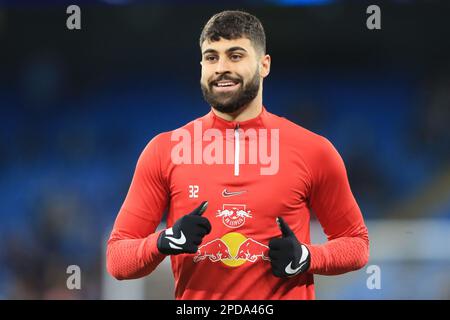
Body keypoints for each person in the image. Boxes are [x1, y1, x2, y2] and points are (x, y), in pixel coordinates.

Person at [106, 10, 369, 300]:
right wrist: (163, 241)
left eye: (235, 55)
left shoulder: (313, 151)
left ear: (263, 65)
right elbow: (117, 258)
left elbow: (356, 244)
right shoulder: (164, 151)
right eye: (211, 57)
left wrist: (308, 257)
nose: (221, 68)